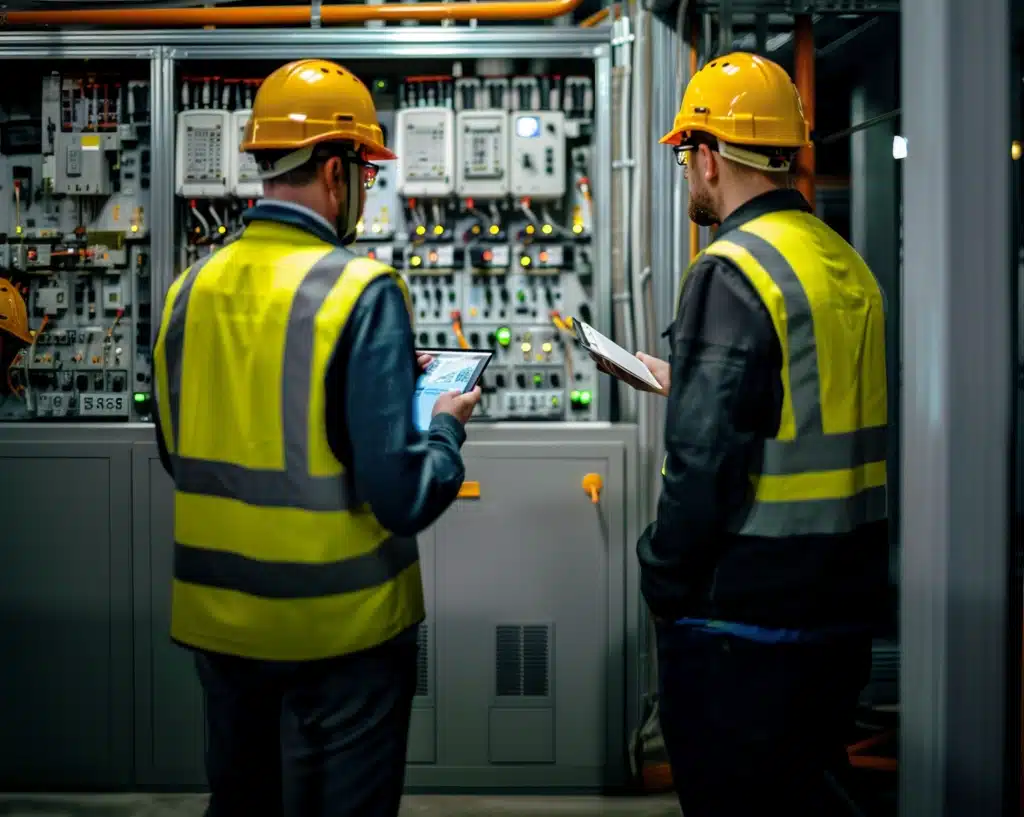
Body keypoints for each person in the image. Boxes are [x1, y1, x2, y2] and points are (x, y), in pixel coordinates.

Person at [150, 59, 481, 817]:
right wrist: (442, 428)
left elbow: (181, 453)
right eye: (365, 170)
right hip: (343, 637)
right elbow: (402, 496)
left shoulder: (188, 291)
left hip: (223, 630)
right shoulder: (362, 291)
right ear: (338, 170)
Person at [630, 52, 890, 817]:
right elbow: (806, 408)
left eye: (685, 157)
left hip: (742, 620)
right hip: (838, 607)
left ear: (708, 157)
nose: (686, 174)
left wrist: (660, 574)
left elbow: (703, 466)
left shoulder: (731, 268)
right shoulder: (843, 264)